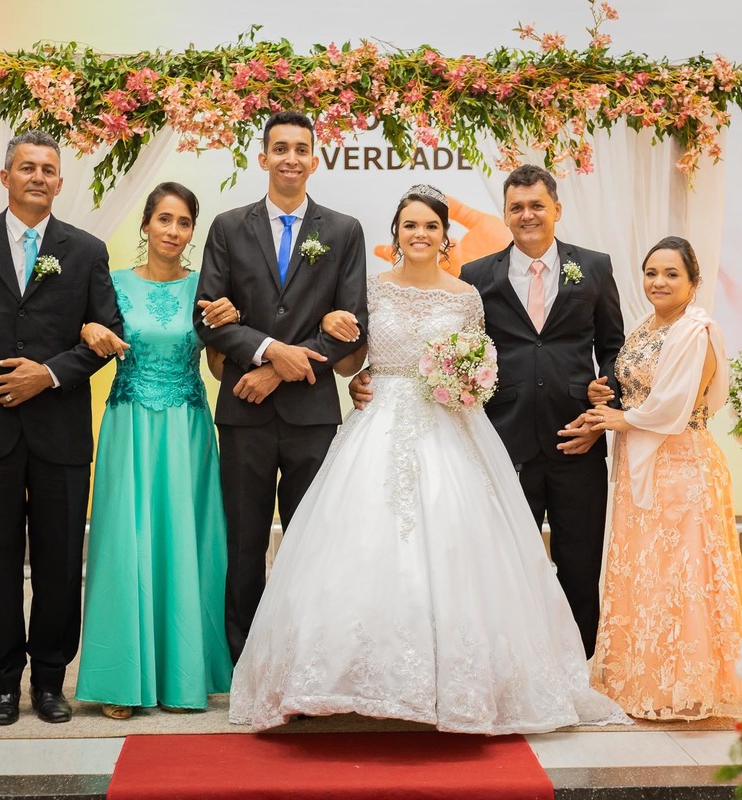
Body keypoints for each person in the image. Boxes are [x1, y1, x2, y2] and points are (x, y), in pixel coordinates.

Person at [228, 185, 630, 734]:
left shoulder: (465, 296)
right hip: (379, 422)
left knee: (458, 547)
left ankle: (458, 684)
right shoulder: (369, 291)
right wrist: (356, 375)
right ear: (397, 233)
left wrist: (466, 381)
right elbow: (348, 361)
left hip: (448, 426)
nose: (420, 233)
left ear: (445, 237)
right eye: (410, 225)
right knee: (358, 546)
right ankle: (337, 682)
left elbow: (482, 366)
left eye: (430, 226)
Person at [350, 164, 624, 656]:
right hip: (504, 439)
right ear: (504, 213)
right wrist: (368, 374)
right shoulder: (477, 278)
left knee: (580, 561)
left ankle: (577, 666)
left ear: (557, 210)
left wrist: (606, 407)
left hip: (576, 435)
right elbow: (464, 351)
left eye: (537, 205)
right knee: (507, 562)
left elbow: (613, 346)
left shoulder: (596, 267)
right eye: (516, 207)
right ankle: (523, 658)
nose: (527, 215)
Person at [0, 130, 122, 725]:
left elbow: (107, 335)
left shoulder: (87, 250)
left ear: (60, 182)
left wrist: (49, 373)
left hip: (60, 432)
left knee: (61, 560)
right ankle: (2, 684)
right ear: (6, 177)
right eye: (27, 167)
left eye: (49, 169)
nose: (38, 176)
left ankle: (49, 681)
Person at [194, 111, 368, 664]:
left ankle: (305, 655)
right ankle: (245, 657)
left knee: (310, 540)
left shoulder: (343, 231)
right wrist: (269, 351)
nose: (291, 157)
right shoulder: (227, 226)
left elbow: (351, 322)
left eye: (301, 149)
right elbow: (209, 317)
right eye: (280, 148)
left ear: (315, 160)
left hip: (312, 413)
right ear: (262, 157)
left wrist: (279, 369)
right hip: (243, 413)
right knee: (243, 541)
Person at [74, 182, 241, 719]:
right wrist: (88, 325)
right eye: (164, 219)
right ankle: (122, 680)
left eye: (184, 222)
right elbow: (83, 337)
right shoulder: (113, 285)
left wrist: (233, 330)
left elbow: (219, 364)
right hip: (129, 427)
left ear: (193, 231)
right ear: (145, 224)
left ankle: (185, 674)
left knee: (186, 542)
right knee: (126, 540)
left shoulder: (206, 291)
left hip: (187, 429)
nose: (173, 231)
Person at [583, 236, 742, 720]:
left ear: (694, 282)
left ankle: (684, 687)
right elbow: (639, 388)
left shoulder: (695, 331)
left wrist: (621, 420)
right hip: (644, 461)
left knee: (683, 577)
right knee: (646, 574)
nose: (658, 282)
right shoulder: (647, 326)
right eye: (652, 272)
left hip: (682, 468)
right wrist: (608, 393)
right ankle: (641, 680)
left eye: (671, 274)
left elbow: (676, 405)